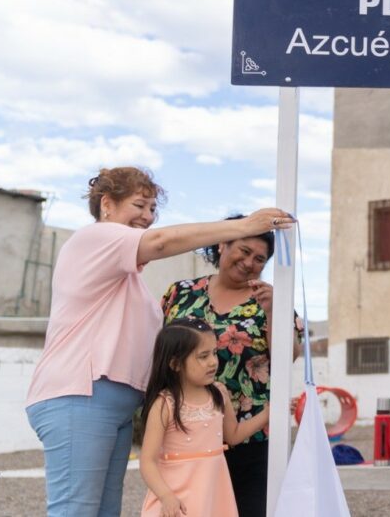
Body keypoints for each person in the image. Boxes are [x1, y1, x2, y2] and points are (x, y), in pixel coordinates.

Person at [24, 166, 293, 516]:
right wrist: (245, 226)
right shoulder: (94, 238)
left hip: (113, 404)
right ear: (106, 204)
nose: (148, 217)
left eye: (153, 209)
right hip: (82, 393)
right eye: (139, 205)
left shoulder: (128, 277)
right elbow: (162, 242)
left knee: (105, 511)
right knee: (75, 510)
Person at [160, 214, 302, 517]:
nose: (250, 262)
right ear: (223, 243)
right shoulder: (181, 293)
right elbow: (161, 350)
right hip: (188, 431)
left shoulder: (271, 300)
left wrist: (274, 312)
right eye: (245, 251)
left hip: (251, 432)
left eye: (260, 259)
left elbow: (287, 356)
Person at [139, 320, 271, 517]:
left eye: (214, 353)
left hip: (213, 495)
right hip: (177, 499)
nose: (213, 362)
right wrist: (166, 496)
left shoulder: (219, 393)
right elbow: (147, 461)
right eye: (203, 356)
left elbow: (233, 436)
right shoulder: (165, 404)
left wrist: (269, 413)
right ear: (175, 363)